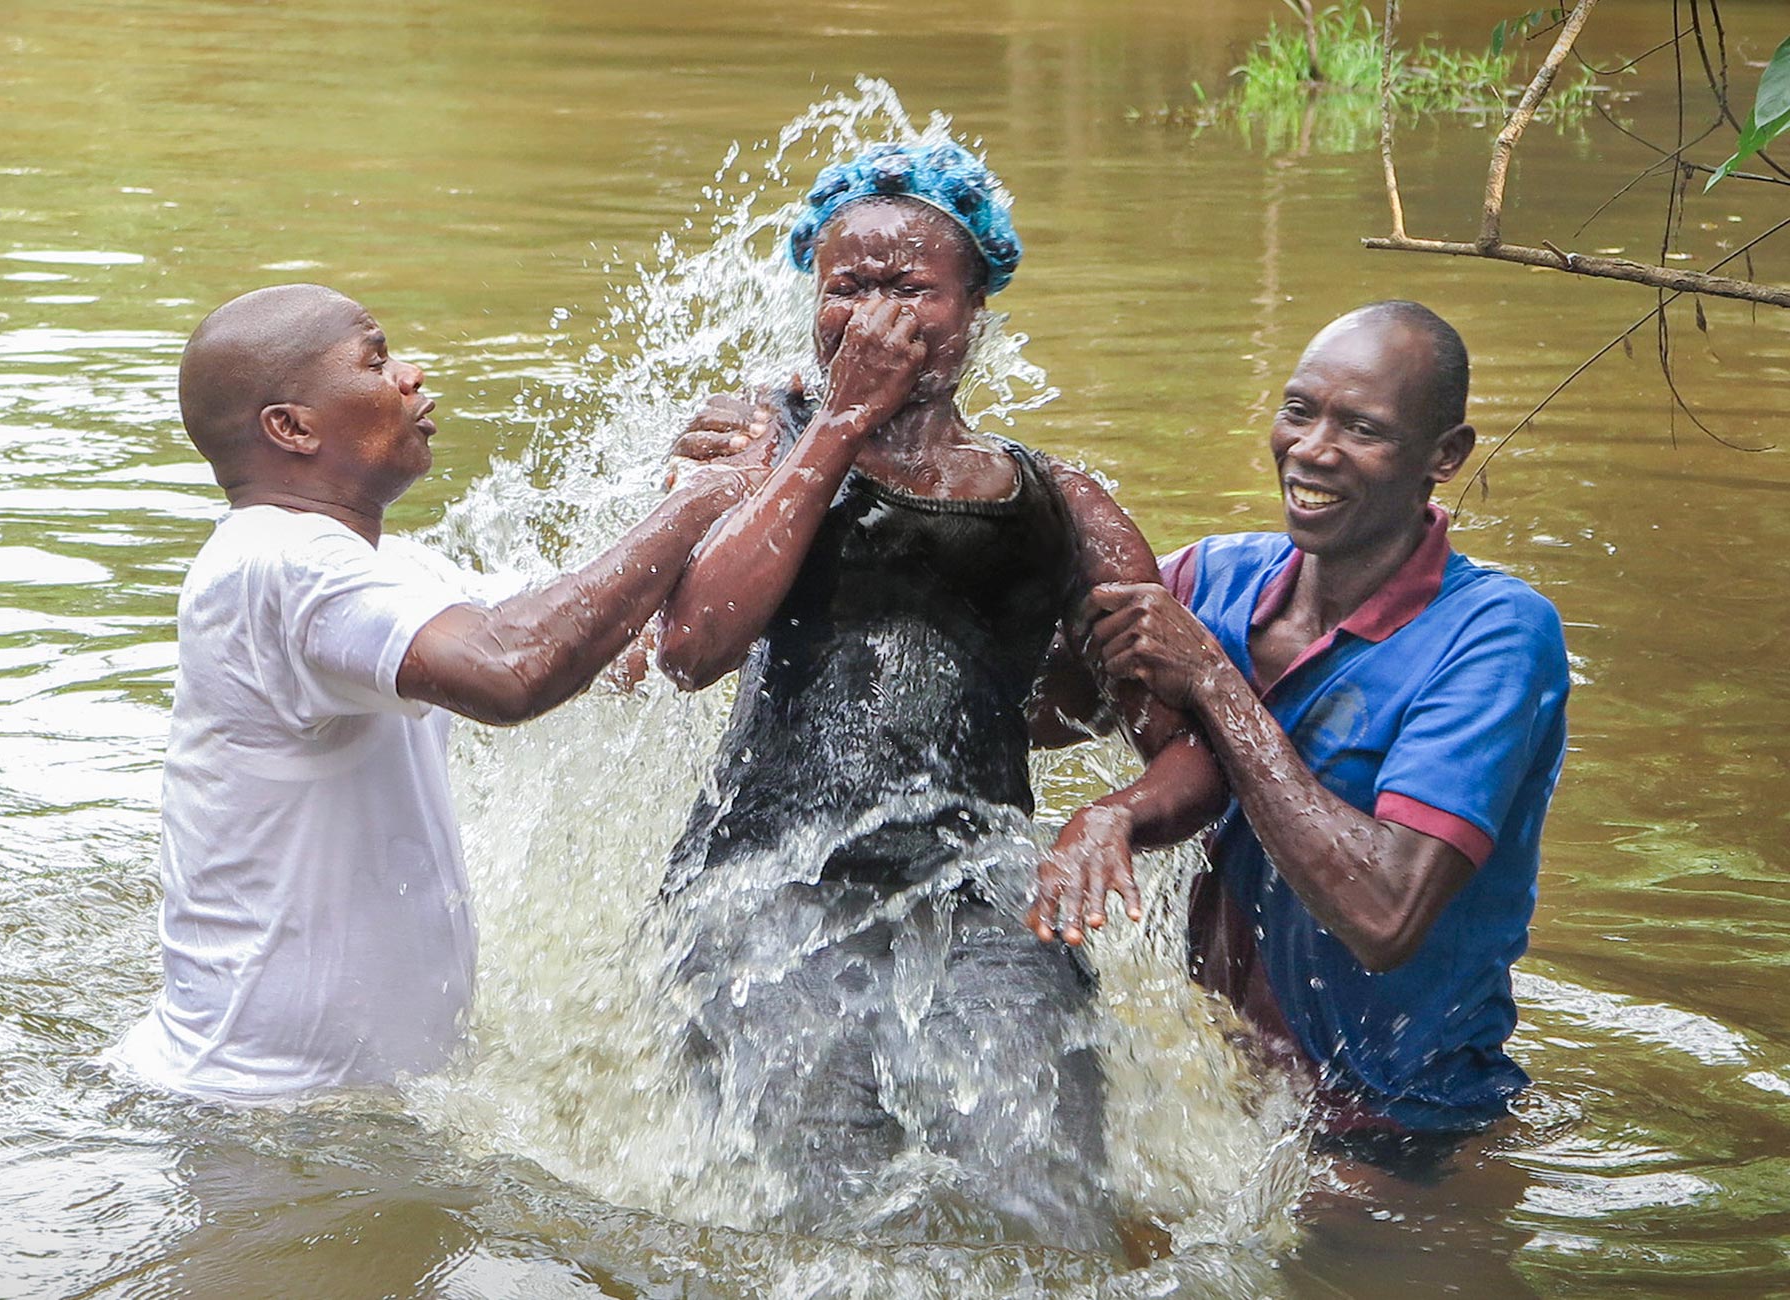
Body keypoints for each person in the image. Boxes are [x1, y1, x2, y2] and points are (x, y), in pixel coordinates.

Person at [651, 141, 1220, 1250]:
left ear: (972, 312)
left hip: (981, 892)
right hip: (764, 886)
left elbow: (1187, 751)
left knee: (1052, 1214)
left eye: (909, 286)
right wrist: (838, 424)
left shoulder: (1062, 504)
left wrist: (1109, 816)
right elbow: (692, 646)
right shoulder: (760, 442)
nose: (873, 315)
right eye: (845, 288)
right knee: (821, 1217)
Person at [111, 283, 768, 1100]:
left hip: (331, 1108)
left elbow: (618, 649)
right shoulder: (277, 563)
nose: (413, 376)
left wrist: (697, 498)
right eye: (378, 360)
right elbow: (513, 670)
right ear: (292, 427)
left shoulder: (391, 569)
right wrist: (710, 498)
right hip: (254, 1112)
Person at [1031, 301, 1571, 1140]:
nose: (1313, 449)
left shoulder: (1495, 634)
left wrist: (1213, 678)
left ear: (1445, 457)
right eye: (1298, 411)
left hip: (1403, 1123)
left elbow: (1385, 915)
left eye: (1362, 428)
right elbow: (1026, 712)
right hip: (1226, 1094)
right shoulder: (1214, 578)